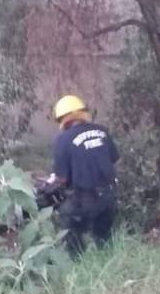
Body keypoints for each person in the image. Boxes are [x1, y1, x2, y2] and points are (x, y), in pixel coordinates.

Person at [49, 95, 119, 257]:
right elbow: (114, 159)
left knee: (68, 225)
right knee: (104, 237)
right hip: (109, 196)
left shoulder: (63, 140)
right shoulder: (102, 131)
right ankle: (108, 261)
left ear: (61, 119)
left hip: (84, 200)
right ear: (84, 113)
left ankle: (77, 261)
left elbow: (62, 179)